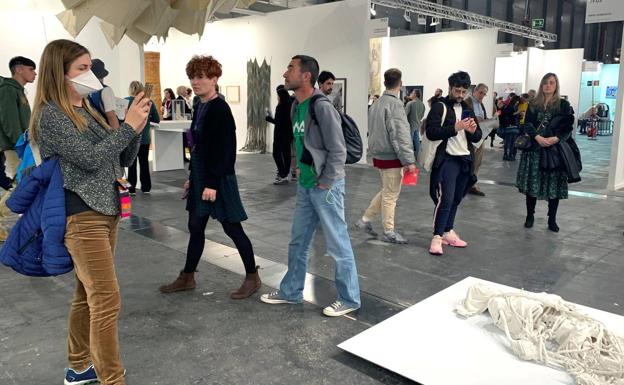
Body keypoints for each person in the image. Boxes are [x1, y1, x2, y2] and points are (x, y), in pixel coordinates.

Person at [32, 39, 150, 385]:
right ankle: (112, 378)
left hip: (106, 209)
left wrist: (137, 132)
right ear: (60, 73)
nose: (91, 75)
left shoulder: (88, 110)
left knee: (88, 295)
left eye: (89, 67)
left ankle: (79, 366)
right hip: (81, 216)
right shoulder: (51, 116)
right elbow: (89, 158)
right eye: (82, 69)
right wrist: (126, 127)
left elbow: (118, 161)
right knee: (106, 300)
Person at [260, 55, 360, 317]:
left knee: (338, 244)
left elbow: (338, 151)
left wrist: (326, 181)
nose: (285, 73)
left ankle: (350, 298)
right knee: (298, 242)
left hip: (326, 187)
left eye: (290, 68)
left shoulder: (322, 107)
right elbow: (303, 142)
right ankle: (291, 292)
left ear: (306, 76)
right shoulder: (295, 105)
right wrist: (299, 168)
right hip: (305, 185)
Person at [159, 55, 261, 299]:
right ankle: (188, 276)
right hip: (202, 176)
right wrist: (193, 178)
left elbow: (226, 151)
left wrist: (212, 184)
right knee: (195, 226)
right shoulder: (200, 105)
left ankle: (252, 276)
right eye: (193, 77)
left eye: (202, 77)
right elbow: (198, 147)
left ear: (214, 79)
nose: (196, 81)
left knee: (232, 228)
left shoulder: (220, 108)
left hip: (219, 178)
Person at [355, 68, 416, 244]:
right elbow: (400, 135)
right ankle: (389, 231)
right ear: (401, 83)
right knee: (391, 195)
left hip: (379, 156)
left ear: (384, 82)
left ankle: (365, 220)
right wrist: (409, 160)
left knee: (387, 191)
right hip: (392, 157)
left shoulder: (376, 103)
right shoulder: (395, 105)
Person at [425, 71, 482, 256]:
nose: (460, 94)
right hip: (447, 159)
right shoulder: (439, 106)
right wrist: (454, 128)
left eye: (463, 91)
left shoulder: (467, 108)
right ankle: (437, 236)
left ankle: (448, 231)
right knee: (446, 199)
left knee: (457, 198)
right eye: (457, 90)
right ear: (450, 88)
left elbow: (478, 136)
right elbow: (432, 132)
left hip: (465, 159)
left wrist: (472, 131)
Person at [516, 73, 573, 233]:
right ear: (541, 85)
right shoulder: (533, 103)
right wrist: (537, 137)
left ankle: (552, 219)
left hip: (555, 151)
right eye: (545, 83)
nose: (548, 86)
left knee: (553, 186)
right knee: (532, 185)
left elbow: (567, 127)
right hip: (535, 150)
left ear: (556, 85)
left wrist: (556, 139)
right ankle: (530, 216)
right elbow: (527, 124)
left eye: (551, 83)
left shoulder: (563, 105)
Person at [0, 56, 36, 188]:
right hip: (16, 147)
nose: (35, 73)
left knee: (25, 182)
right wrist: (19, 144)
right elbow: (9, 121)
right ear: (19, 69)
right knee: (20, 184)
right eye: (31, 69)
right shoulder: (7, 89)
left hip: (24, 145)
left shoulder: (18, 90)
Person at [126, 81, 160, 195]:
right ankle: (146, 187)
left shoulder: (125, 101)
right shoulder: (148, 102)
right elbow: (156, 119)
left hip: (130, 137)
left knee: (131, 164)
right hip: (144, 137)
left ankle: (131, 188)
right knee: (144, 162)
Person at [266, 84, 294, 185]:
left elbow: (279, 122)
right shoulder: (290, 103)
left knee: (276, 154)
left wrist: (269, 118)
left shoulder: (281, 106)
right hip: (288, 134)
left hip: (280, 135)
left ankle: (282, 174)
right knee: (286, 154)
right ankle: (285, 174)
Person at [467, 83, 488, 196]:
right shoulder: (467, 102)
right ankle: (466, 184)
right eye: (481, 93)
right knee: (468, 161)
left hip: (480, 137)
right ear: (475, 91)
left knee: (477, 162)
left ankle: (473, 184)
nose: (482, 96)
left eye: (484, 94)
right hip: (470, 138)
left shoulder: (481, 105)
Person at [89, 59, 120, 129]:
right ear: (102, 75)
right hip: (107, 128)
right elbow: (111, 115)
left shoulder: (87, 90)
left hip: (95, 128)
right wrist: (117, 134)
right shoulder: (106, 90)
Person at [405, 89, 426, 157]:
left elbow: (404, 114)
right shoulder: (422, 104)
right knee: (417, 141)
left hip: (410, 125)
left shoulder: (410, 103)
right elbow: (422, 115)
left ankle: (409, 157)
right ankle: (419, 156)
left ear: (415, 95)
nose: (410, 94)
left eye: (412, 93)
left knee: (409, 141)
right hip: (417, 124)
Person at [500, 94, 520, 161]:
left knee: (507, 141)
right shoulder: (511, 107)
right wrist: (518, 112)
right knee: (512, 142)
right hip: (512, 126)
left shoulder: (507, 106)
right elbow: (511, 115)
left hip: (506, 126)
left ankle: (505, 155)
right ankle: (510, 155)